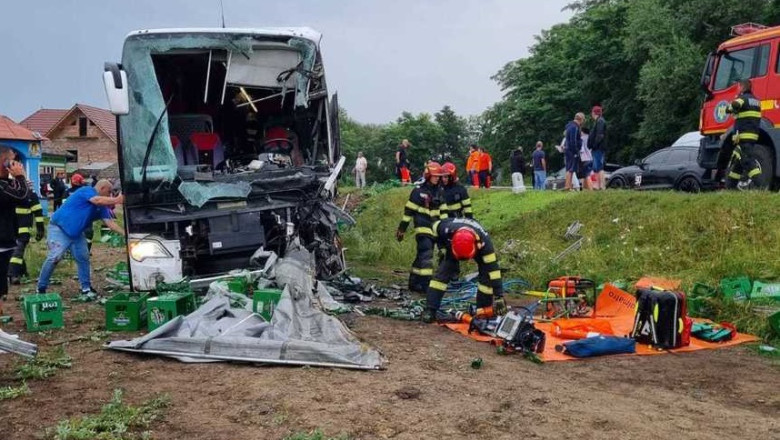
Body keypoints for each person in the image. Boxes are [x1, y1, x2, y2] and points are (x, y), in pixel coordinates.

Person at [37, 180, 125, 295]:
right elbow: (97, 200)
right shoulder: (87, 191)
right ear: (102, 188)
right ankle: (41, 287)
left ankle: (86, 288)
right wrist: (118, 200)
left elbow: (109, 223)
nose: (109, 196)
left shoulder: (101, 206)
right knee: (55, 257)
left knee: (83, 258)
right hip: (59, 228)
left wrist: (125, 233)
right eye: (108, 192)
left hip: (76, 233)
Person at [423, 217, 503, 323]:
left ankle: (483, 312)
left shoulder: (485, 245)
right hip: (453, 246)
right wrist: (441, 247)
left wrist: (499, 296)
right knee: (441, 276)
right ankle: (430, 309)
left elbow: (494, 271)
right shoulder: (445, 229)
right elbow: (434, 227)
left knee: (487, 277)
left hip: (475, 246)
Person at [396, 162, 448, 293]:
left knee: (421, 256)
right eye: (435, 176)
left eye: (439, 176)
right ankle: (426, 285)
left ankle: (413, 283)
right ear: (428, 175)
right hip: (423, 228)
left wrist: (446, 229)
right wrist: (402, 229)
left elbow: (444, 212)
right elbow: (408, 213)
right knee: (427, 255)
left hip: (436, 229)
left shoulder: (440, 191)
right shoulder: (418, 192)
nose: (437, 178)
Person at [0, 145, 30, 313]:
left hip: (5, 240)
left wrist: (18, 179)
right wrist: (20, 177)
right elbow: (22, 197)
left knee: (2, 288)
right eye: (11, 160)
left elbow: (23, 198)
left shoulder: (5, 183)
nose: (15, 164)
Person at [720, 79, 762, 189]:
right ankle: (730, 188)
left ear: (742, 87)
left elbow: (730, 108)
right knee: (737, 162)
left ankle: (761, 186)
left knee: (748, 162)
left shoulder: (742, 99)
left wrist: (731, 104)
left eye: (739, 87)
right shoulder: (757, 101)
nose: (738, 88)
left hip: (743, 136)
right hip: (753, 135)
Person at [8, 179, 45, 284]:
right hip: (9, 230)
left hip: (23, 230)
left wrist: (40, 229)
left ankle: (13, 275)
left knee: (17, 251)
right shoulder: (10, 194)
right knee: (15, 251)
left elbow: (38, 212)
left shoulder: (31, 196)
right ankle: (23, 271)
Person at [588, 106, 607, 190]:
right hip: (597, 147)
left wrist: (594, 145)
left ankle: (602, 185)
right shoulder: (599, 121)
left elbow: (600, 135)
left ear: (594, 113)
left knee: (599, 166)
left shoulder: (600, 121)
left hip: (598, 147)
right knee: (596, 167)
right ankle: (598, 185)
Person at [564, 113, 584, 190]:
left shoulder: (569, 126)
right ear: (581, 119)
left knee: (569, 169)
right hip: (572, 151)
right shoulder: (574, 127)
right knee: (571, 169)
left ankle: (568, 186)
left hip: (568, 150)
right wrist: (576, 151)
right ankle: (568, 186)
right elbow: (573, 140)